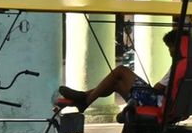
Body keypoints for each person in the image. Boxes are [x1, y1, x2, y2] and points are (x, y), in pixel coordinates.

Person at [57, 30, 185, 113]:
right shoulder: (187, 63)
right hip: (164, 102)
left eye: (170, 47)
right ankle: (83, 96)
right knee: (116, 84)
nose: (169, 51)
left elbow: (158, 87)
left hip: (157, 102)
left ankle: (85, 100)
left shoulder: (178, 65)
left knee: (121, 70)